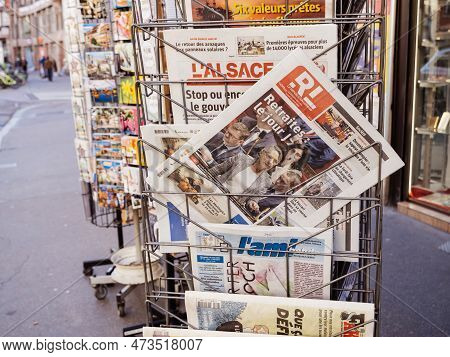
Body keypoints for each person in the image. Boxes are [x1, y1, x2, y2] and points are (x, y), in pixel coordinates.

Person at [209, 145, 283, 193]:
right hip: (215, 191)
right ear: (262, 152)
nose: (270, 162)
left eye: (275, 161)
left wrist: (253, 203)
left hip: (230, 205)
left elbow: (254, 198)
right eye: (269, 157)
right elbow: (217, 170)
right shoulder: (241, 158)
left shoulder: (267, 181)